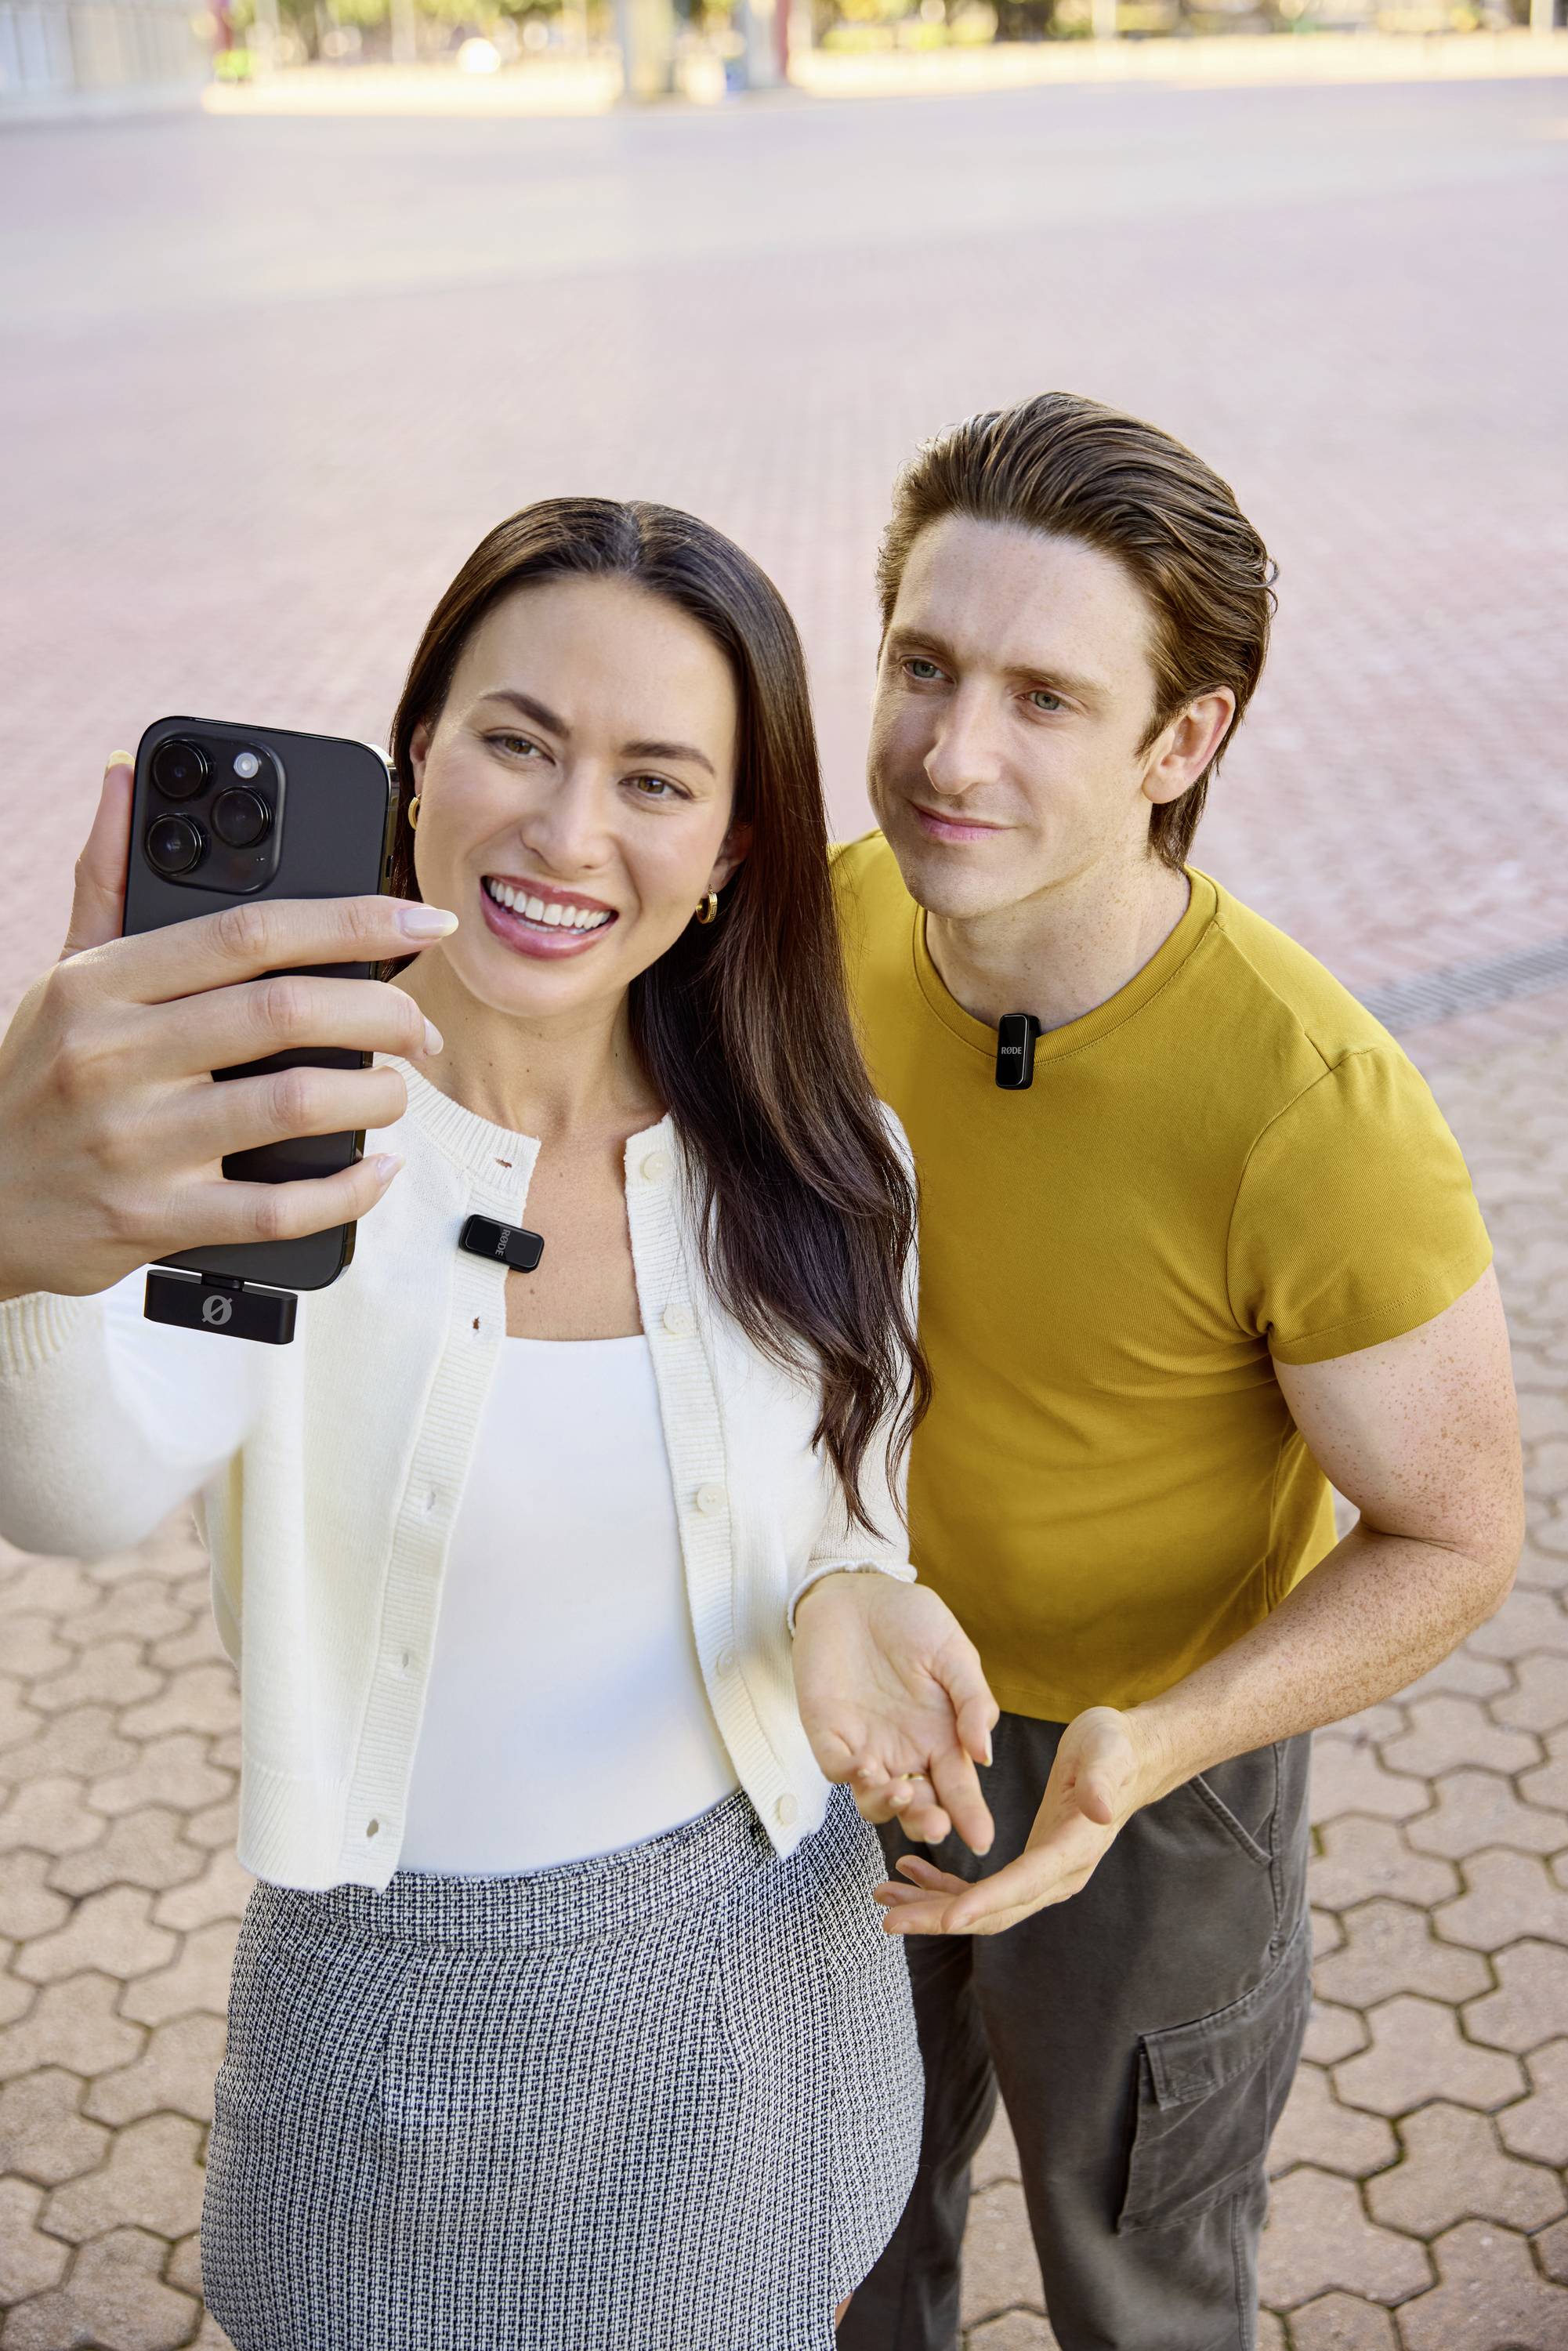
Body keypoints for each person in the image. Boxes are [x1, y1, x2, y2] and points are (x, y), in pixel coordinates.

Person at [0, 497, 1002, 2351]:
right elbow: (72, 1489)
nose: (563, 833)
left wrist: (851, 1598)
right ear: (416, 761)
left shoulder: (834, 1163)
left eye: (652, 779)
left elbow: (853, 1520)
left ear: (728, 849)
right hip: (400, 2037)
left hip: (766, 1978)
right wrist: (27, 1225)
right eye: (516, 743)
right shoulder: (267, 1135)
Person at [831, 395, 1525, 2351]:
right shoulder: (818, 922)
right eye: (921, 665)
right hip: (839, 1706)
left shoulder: (1316, 1104)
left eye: (1044, 696)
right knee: (825, 2240)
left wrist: (1165, 1742)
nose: (949, 752)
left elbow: (1452, 1533)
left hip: (1142, 1783)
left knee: (1132, 2286)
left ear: (1179, 740)